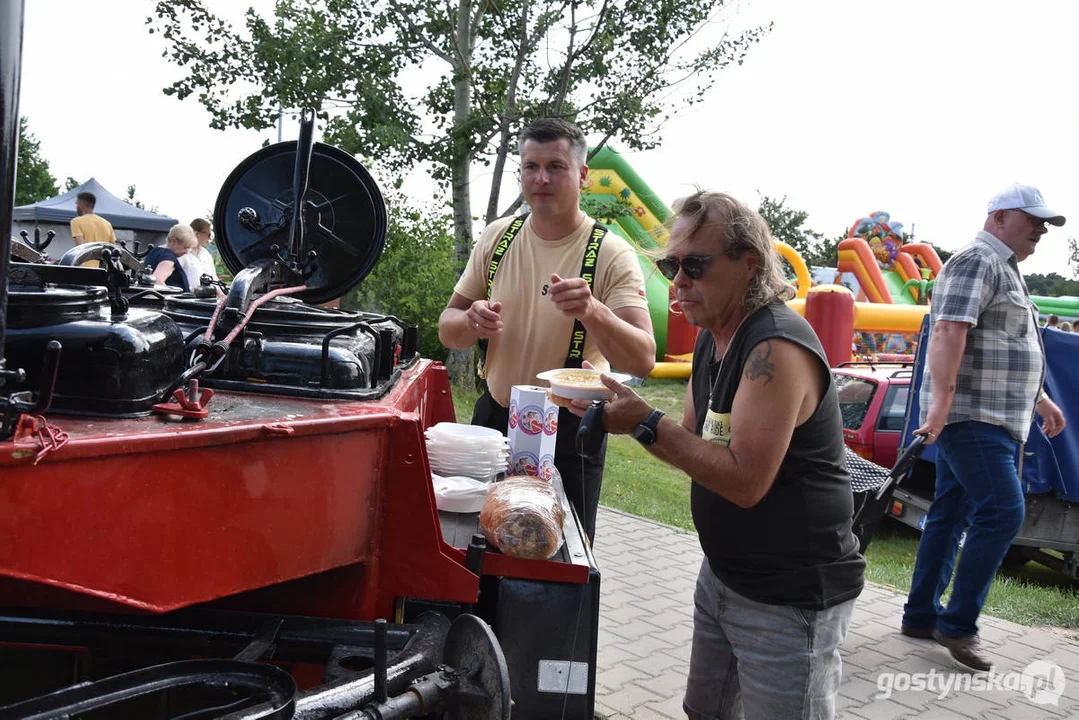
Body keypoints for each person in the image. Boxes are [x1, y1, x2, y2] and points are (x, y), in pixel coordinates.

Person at [574, 191, 864, 719]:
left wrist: (641, 418)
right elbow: (690, 444)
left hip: (790, 594)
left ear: (748, 265)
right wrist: (627, 417)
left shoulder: (774, 347)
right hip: (726, 574)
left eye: (695, 265)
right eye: (671, 265)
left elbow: (745, 482)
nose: (678, 282)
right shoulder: (713, 337)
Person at [437, 117, 655, 542]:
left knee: (559, 559)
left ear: (583, 174)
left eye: (556, 166)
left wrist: (593, 310)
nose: (541, 178)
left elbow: (642, 358)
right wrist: (470, 321)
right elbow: (448, 329)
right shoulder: (498, 238)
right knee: (476, 542)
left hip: (571, 431)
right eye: (530, 166)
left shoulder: (611, 254)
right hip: (494, 423)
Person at [901, 184, 1067, 672]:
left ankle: (921, 616)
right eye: (1032, 219)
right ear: (998, 217)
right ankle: (957, 625)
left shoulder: (1004, 269)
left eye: (1044, 223)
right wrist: (940, 410)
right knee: (1003, 512)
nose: (1040, 229)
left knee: (951, 513)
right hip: (973, 419)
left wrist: (1040, 401)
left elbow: (998, 345)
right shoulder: (978, 260)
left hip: (990, 417)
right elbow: (950, 331)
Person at [144, 224, 199, 292]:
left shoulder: (156, 251)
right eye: (185, 247)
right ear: (174, 241)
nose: (187, 252)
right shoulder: (168, 258)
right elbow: (157, 281)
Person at [70, 191, 116, 268]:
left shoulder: (76, 222)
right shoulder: (107, 224)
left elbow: (80, 249)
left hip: (87, 270)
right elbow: (113, 249)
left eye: (77, 204)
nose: (76, 207)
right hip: (104, 271)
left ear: (82, 204)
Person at [178, 217, 219, 291]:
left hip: (207, 298)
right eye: (209, 234)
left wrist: (220, 293)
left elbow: (214, 278)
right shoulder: (182, 253)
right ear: (197, 234)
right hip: (187, 299)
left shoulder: (206, 254)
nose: (210, 238)